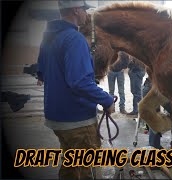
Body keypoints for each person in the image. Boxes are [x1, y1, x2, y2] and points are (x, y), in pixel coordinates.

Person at [36, 0, 114, 179]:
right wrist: (106, 100)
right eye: (85, 10)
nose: (87, 14)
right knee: (87, 171)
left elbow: (40, 72)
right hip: (77, 120)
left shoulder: (48, 36)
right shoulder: (74, 38)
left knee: (71, 167)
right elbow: (79, 82)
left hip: (56, 117)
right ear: (76, 10)